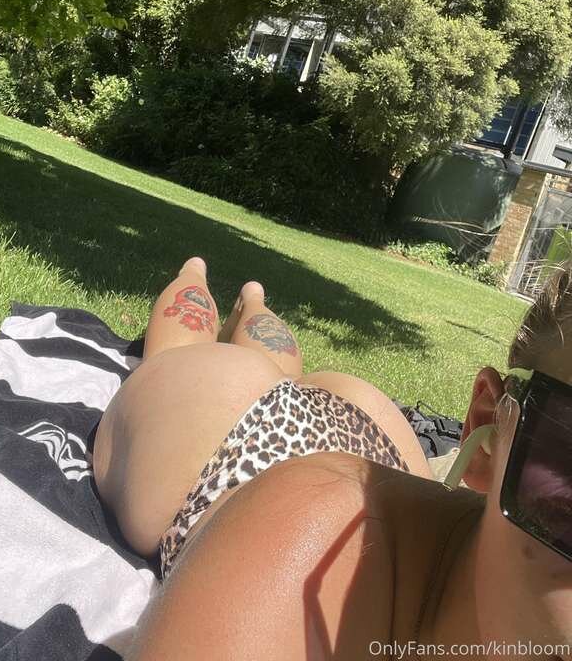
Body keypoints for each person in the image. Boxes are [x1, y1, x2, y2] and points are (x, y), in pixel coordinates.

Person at [93, 257, 572, 660]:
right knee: (178, 350)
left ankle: (253, 301)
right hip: (228, 439)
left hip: (371, 440)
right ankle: (197, 273)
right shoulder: (297, 558)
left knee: (273, 357)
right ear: (491, 429)